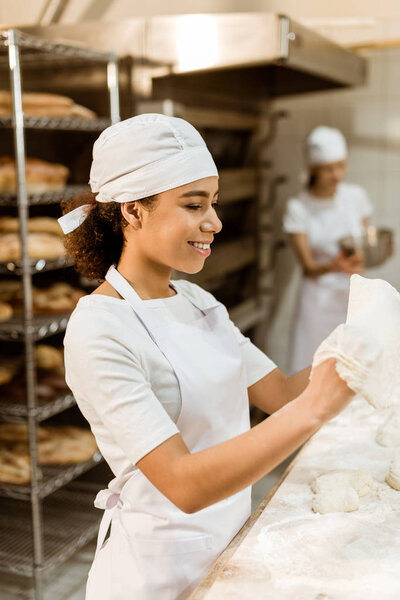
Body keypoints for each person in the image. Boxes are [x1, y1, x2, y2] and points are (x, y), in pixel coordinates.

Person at [60, 114, 354, 600]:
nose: (214, 222)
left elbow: (279, 393)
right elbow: (183, 482)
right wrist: (314, 409)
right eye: (194, 204)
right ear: (133, 211)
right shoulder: (99, 328)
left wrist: (365, 343)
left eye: (213, 203)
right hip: (157, 575)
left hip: (229, 551)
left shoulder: (199, 302)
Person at [283, 126, 373, 375]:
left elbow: (364, 244)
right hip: (317, 301)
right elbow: (309, 267)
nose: (338, 174)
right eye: (329, 168)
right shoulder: (298, 208)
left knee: (354, 371)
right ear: (313, 169)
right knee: (313, 369)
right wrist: (335, 266)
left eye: (341, 166)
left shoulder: (356, 196)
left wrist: (370, 253)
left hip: (351, 296)